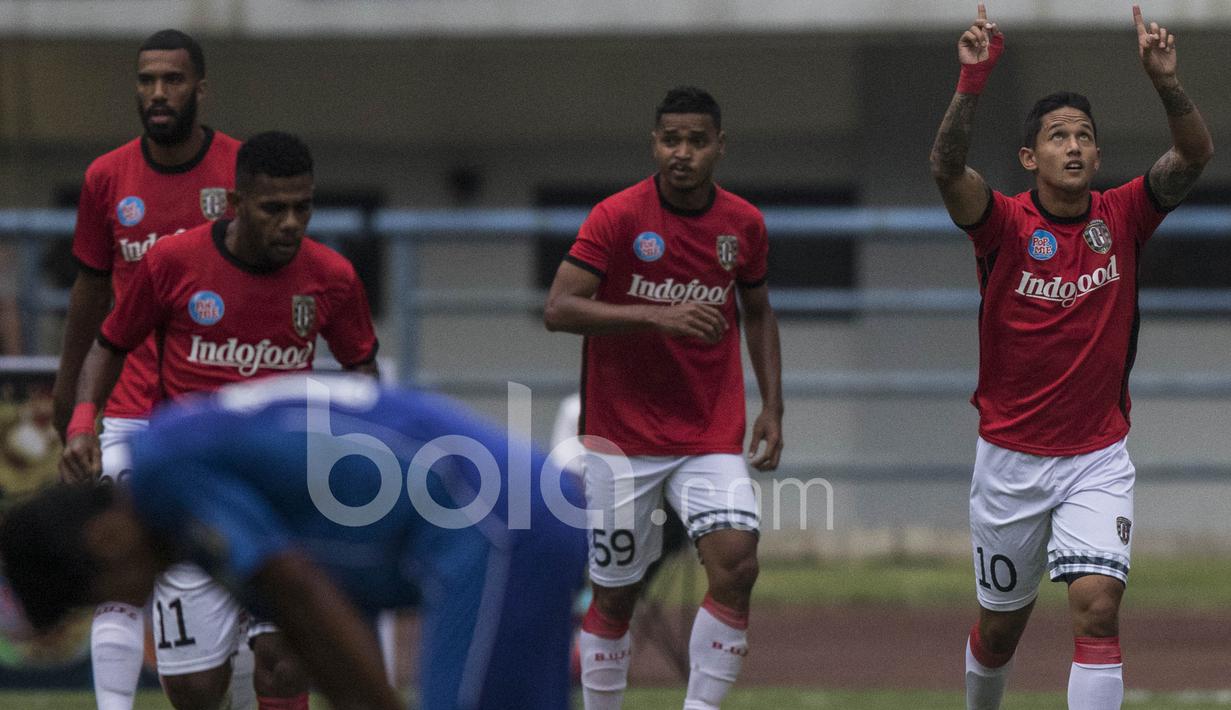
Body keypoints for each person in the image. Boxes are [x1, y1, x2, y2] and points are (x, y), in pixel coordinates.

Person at [929, 5, 1213, 710]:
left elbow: (1192, 157)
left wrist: (1166, 83)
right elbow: (945, 168)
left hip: (1095, 456)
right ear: (1030, 158)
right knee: (999, 633)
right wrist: (971, 81)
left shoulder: (1121, 216)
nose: (1075, 146)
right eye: (1058, 137)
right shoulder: (1001, 224)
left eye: (1084, 135)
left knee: (1096, 608)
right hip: (1009, 460)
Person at [4, 373, 588, 710]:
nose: (127, 608)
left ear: (104, 537)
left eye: (98, 594)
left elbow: (300, 589)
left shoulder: (164, 474)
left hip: (495, 524)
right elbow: (311, 633)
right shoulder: (190, 523)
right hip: (515, 511)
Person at [61, 130, 381, 710]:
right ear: (236, 205)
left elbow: (362, 366)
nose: (291, 223)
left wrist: (362, 448)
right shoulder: (173, 263)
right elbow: (109, 345)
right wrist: (84, 420)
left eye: (302, 207)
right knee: (194, 687)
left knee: (285, 663)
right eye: (273, 208)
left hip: (286, 486)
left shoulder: (331, 277)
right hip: (194, 488)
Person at [544, 85, 784, 710]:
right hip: (621, 441)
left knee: (737, 564)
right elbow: (559, 307)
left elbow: (756, 311)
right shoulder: (617, 217)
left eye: (697, 141)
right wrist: (657, 316)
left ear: (719, 147)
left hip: (709, 433)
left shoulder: (743, 224)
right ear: (654, 143)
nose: (683, 153)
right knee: (614, 597)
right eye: (671, 140)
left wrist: (773, 407)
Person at [47, 28, 245, 710]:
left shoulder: (240, 172)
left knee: (227, 574)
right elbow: (90, 294)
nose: (158, 93)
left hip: (217, 407)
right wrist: (73, 396)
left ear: (200, 87)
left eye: (172, 79)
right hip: (129, 404)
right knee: (119, 565)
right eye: (146, 80)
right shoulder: (107, 178)